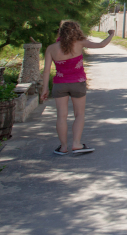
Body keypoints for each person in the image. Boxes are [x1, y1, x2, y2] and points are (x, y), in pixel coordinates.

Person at [41, 21, 114, 156]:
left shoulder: (51, 48)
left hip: (59, 84)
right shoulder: (80, 43)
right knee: (79, 114)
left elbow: (46, 71)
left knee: (61, 116)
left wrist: (45, 88)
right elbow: (102, 44)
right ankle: (76, 144)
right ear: (77, 31)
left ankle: (63, 147)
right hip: (78, 83)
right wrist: (111, 34)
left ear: (61, 32)